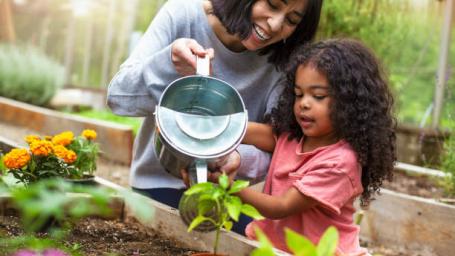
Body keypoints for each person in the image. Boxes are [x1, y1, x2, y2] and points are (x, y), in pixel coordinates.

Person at [107, 0, 323, 218]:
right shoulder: (184, 13)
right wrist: (169, 64)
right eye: (273, 4)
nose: (275, 24)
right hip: (158, 186)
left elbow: (280, 148)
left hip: (226, 197)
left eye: (291, 20)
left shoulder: (283, 62)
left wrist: (236, 156)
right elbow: (118, 97)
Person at [233, 38, 396, 254]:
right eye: (299, 94)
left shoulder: (341, 162)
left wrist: (227, 188)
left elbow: (281, 207)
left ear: (348, 102)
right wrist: (222, 127)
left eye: (318, 96)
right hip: (276, 247)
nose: (304, 103)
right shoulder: (294, 137)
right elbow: (263, 134)